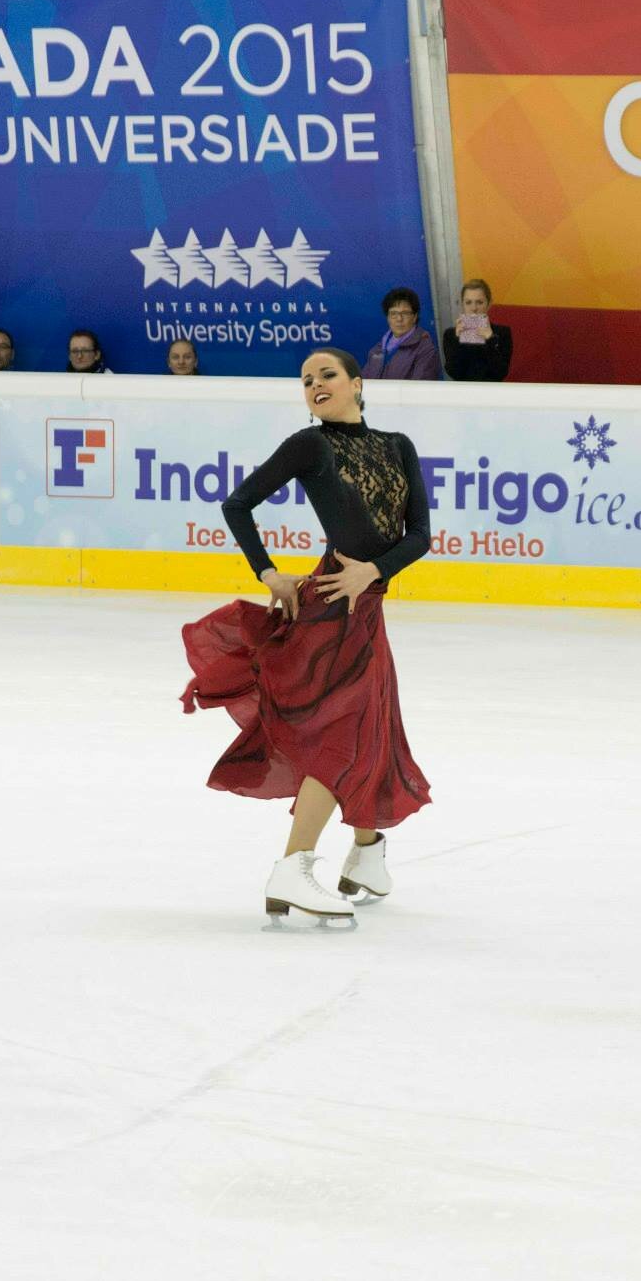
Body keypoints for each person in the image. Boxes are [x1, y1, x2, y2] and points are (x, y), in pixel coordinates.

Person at [179, 347, 433, 926]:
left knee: (374, 729)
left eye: (326, 375)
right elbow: (237, 504)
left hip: (366, 606)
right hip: (329, 609)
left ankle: (367, 854)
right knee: (342, 735)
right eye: (305, 381)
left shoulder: (398, 446)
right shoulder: (310, 445)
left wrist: (375, 570)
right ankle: (292, 867)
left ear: (356, 383)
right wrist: (268, 573)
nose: (314, 385)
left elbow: (419, 534)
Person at [442, 279, 513, 382]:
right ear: (462, 305)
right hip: (463, 393)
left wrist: (490, 339)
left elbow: (500, 373)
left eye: (479, 302)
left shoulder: (502, 333)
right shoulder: (450, 335)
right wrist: (458, 340)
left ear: (489, 304)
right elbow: (454, 373)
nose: (474, 308)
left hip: (491, 393)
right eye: (468, 302)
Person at [364, 288, 441, 380]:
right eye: (393, 313)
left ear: (415, 317)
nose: (399, 319)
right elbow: (363, 384)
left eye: (405, 313)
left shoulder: (425, 350)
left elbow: (420, 390)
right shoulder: (377, 349)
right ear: (387, 317)